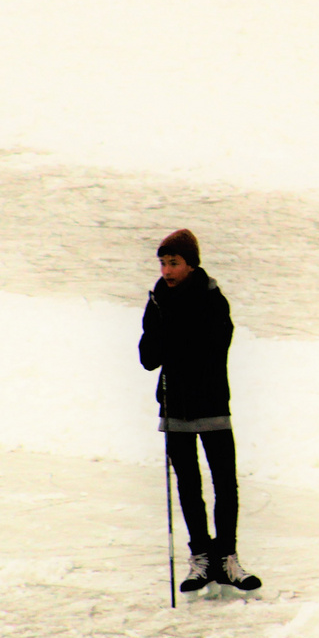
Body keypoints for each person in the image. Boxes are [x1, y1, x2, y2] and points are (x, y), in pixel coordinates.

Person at [138, 229, 259, 594]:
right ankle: (201, 558)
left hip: (211, 403)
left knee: (225, 482)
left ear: (191, 264)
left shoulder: (212, 299)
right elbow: (148, 358)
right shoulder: (158, 302)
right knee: (189, 486)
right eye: (162, 263)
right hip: (174, 406)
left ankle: (227, 558)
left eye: (173, 263)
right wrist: (163, 331)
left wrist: (176, 336)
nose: (166, 271)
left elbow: (213, 347)